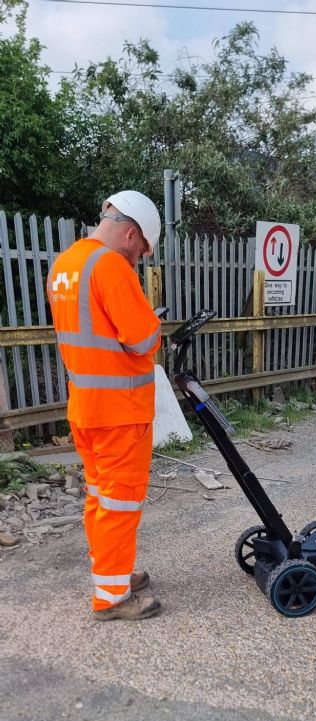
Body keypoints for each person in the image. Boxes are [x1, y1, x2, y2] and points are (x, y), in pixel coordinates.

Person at [47, 190, 163, 621]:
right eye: (141, 250)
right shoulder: (110, 266)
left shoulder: (64, 265)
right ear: (131, 233)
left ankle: (112, 576)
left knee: (100, 498)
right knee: (121, 502)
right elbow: (142, 339)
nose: (138, 260)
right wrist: (155, 323)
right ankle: (112, 599)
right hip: (121, 411)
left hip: (86, 408)